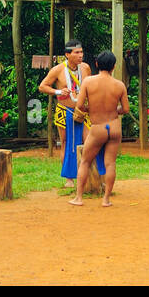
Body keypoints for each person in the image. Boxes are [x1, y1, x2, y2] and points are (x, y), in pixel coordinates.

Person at [38, 40, 102, 187]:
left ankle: (90, 175)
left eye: (81, 52)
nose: (81, 55)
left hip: (83, 111)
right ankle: (69, 179)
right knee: (67, 143)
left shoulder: (85, 68)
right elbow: (42, 86)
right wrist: (59, 91)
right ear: (67, 54)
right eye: (77, 52)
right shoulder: (58, 70)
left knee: (89, 141)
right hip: (65, 110)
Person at [70, 50, 130, 207]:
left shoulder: (88, 82)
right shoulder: (119, 85)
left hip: (98, 128)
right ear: (114, 66)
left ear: (96, 64)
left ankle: (79, 198)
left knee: (85, 162)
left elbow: (79, 105)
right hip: (114, 127)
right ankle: (106, 199)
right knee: (110, 163)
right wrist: (113, 111)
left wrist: (92, 110)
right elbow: (125, 109)